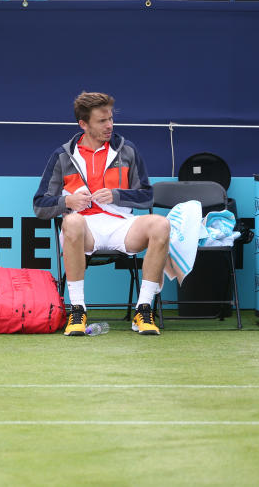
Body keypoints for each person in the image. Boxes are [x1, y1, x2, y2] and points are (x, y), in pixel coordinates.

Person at [32, 91, 169, 336]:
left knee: (160, 224)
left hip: (123, 227)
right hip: (84, 229)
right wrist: (68, 201)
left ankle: (143, 310)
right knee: (72, 221)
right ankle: (77, 310)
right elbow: (40, 206)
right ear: (83, 124)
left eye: (110, 119)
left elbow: (147, 196)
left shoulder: (127, 150)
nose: (109, 126)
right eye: (101, 121)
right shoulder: (63, 155)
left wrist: (117, 195)